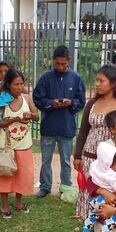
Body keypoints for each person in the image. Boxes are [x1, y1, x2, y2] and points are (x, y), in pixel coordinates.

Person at [73, 65, 116, 232]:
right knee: (89, 192)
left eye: (102, 81)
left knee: (110, 192)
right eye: (97, 80)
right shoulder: (92, 103)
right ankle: (87, 228)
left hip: (114, 161)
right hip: (90, 157)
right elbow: (84, 130)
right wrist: (78, 155)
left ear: (114, 83)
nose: (97, 84)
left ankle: (107, 227)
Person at [33, 45, 86, 198]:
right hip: (49, 127)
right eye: (58, 63)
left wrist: (71, 103)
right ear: (53, 61)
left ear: (68, 60)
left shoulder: (76, 78)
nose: (61, 66)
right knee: (46, 160)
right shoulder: (45, 78)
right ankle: (45, 186)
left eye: (64, 64)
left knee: (66, 160)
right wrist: (51, 103)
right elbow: (37, 99)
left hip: (67, 127)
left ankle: (66, 186)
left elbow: (81, 101)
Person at [0, 69, 39, 218]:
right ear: (8, 85)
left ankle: (18, 202)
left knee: (23, 174)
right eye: (16, 84)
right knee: (5, 174)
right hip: (6, 146)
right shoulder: (1, 101)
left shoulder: (27, 98)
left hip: (24, 144)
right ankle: (5, 206)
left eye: (21, 84)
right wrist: (15, 119)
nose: (19, 87)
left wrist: (31, 115)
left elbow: (37, 117)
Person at [82, 144, 116, 232]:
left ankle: (85, 231)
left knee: (92, 215)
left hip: (93, 199)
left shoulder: (96, 166)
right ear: (108, 164)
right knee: (112, 218)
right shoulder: (111, 175)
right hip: (103, 201)